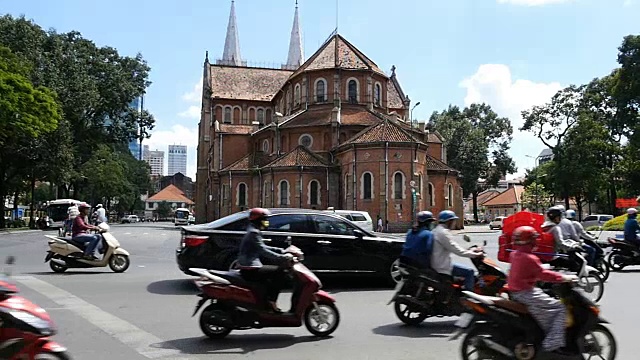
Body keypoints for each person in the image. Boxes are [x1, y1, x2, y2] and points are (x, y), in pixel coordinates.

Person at [508, 226, 577, 358]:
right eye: (534, 239)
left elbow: (531, 271)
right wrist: (564, 277)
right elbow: (543, 274)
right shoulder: (529, 258)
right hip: (526, 293)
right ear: (530, 241)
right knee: (559, 308)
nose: (536, 241)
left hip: (517, 291)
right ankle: (552, 345)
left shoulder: (514, 254)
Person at [237, 208, 294, 313]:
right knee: (280, 272)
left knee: (271, 275)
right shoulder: (253, 233)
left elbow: (263, 247)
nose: (266, 222)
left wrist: (282, 251)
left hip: (250, 264)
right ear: (258, 220)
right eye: (264, 219)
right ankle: (271, 301)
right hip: (250, 267)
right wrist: (282, 257)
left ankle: (265, 300)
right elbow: (263, 250)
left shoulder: (253, 230)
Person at [431, 210, 483, 291]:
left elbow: (453, 246)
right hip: (442, 266)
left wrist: (470, 250)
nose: (454, 223)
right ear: (449, 221)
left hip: (437, 263)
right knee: (469, 272)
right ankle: (468, 297)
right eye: (453, 221)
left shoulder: (436, 230)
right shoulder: (443, 233)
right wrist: (475, 254)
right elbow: (457, 250)